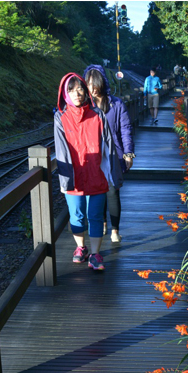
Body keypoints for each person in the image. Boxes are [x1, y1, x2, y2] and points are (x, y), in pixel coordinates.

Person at [54, 72, 122, 271]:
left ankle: (95, 253)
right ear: (65, 94)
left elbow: (109, 146)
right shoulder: (60, 118)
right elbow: (60, 149)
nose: (77, 94)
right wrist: (65, 180)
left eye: (80, 89)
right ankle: (80, 247)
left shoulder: (98, 115)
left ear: (85, 91)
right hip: (74, 175)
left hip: (96, 174)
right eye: (72, 90)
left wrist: (112, 174)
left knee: (95, 216)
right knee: (76, 216)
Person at [83, 64, 135, 243]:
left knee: (112, 191)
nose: (92, 88)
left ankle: (115, 230)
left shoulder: (116, 103)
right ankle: (103, 222)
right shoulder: (84, 106)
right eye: (88, 84)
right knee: (98, 191)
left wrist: (128, 153)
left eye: (95, 83)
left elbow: (126, 129)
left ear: (103, 82)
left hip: (114, 155)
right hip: (92, 155)